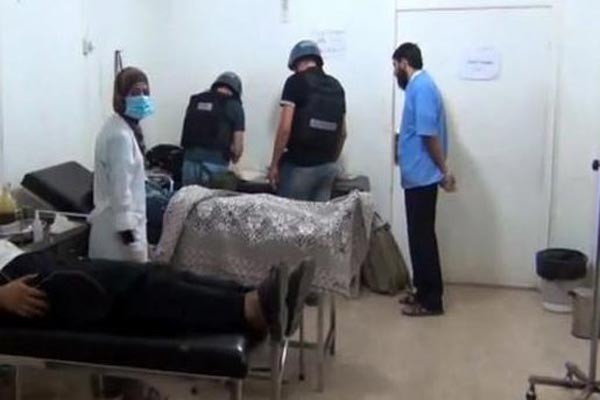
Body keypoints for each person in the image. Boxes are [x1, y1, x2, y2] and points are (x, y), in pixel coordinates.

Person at [0, 239, 315, 342]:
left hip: (22, 260)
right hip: (17, 287)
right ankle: (249, 310)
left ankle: (257, 296)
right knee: (136, 290)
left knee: (153, 273)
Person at [393, 43, 456, 317]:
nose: (394, 72)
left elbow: (428, 134)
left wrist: (443, 170)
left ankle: (432, 301)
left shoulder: (423, 88)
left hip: (423, 175)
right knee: (417, 236)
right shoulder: (417, 88)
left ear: (404, 63)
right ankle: (421, 291)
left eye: (395, 66)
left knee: (423, 238)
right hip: (417, 175)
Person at [89, 67, 155, 263]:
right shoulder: (120, 136)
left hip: (121, 230)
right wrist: (132, 241)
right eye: (135, 93)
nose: (142, 98)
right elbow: (121, 191)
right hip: (118, 238)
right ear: (120, 97)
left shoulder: (122, 128)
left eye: (145, 92)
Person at [268, 40, 347, 201]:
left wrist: (274, 164)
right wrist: (331, 160)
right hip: (328, 168)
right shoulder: (337, 86)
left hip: (299, 167)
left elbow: (285, 129)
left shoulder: (295, 81)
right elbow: (343, 133)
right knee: (317, 217)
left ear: (297, 62)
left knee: (289, 216)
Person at [180, 72, 245, 187]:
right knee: (211, 198)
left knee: (188, 197)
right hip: (215, 165)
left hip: (189, 162)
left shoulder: (196, 100)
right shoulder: (235, 106)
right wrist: (235, 157)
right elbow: (237, 149)